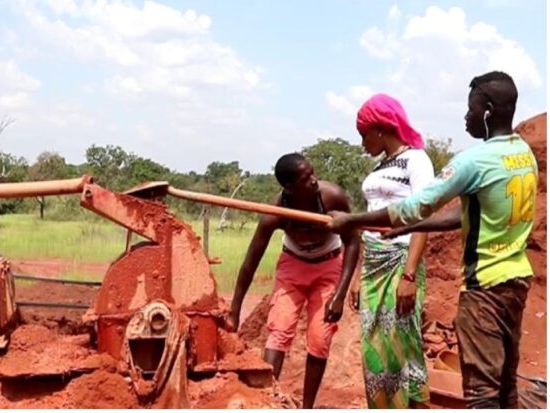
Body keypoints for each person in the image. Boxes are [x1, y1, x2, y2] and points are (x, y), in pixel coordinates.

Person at [328, 71, 537, 409]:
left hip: (484, 289)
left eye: (470, 110)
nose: (465, 117)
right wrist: (412, 228)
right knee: (505, 386)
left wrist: (353, 220)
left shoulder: (474, 160)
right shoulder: (522, 155)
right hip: (515, 282)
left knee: (482, 393)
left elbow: (415, 206)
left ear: (486, 111)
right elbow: (471, 214)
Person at [227, 153, 360, 409]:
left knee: (320, 339)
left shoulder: (332, 197)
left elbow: (353, 241)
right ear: (289, 187)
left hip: (329, 266)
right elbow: (250, 263)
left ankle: (306, 408)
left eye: (313, 173)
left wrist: (340, 294)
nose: (314, 181)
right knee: (279, 330)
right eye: (306, 178)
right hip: (293, 267)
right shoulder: (275, 212)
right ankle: (265, 400)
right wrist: (234, 310)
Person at [350, 93, 435, 408]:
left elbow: (423, 217)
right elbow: (368, 224)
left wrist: (410, 274)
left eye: (364, 135)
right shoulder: (379, 167)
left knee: (401, 345)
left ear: (380, 129)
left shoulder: (417, 160)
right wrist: (359, 273)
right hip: (373, 262)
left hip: (400, 260)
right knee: (373, 350)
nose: (362, 144)